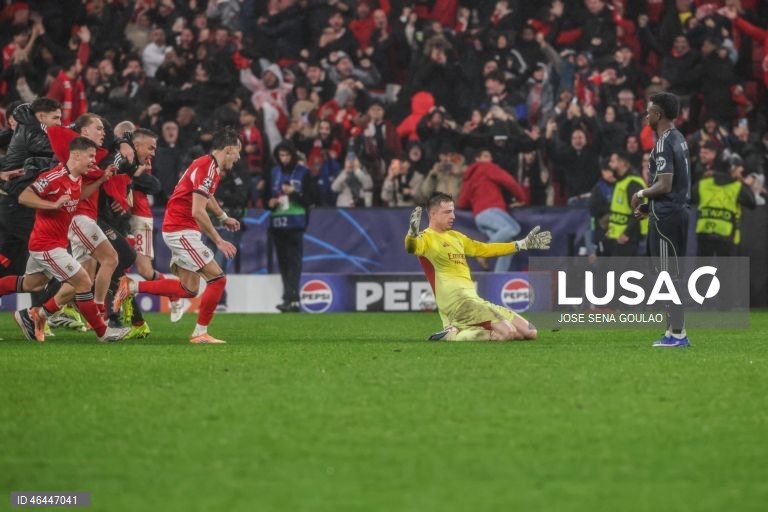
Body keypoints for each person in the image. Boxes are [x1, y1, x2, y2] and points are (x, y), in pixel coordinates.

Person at [112, 128, 243, 344]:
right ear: (228, 150)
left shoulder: (207, 165)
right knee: (218, 279)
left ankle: (132, 287)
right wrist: (218, 240)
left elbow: (206, 196)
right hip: (181, 230)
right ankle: (200, 333)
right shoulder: (208, 168)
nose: (238, 158)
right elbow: (197, 211)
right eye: (238, 152)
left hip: (181, 229)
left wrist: (222, 216)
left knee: (188, 289)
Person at [0, 137, 130, 342]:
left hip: (53, 243)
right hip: (47, 246)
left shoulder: (76, 177)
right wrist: (52, 205)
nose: (93, 161)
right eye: (90, 156)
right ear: (76, 155)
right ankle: (103, 333)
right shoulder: (54, 177)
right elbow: (25, 196)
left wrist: (100, 180)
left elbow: (78, 197)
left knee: (32, 284)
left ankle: (26, 316)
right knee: (83, 281)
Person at [405, 192, 552, 342]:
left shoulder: (456, 237)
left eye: (453, 211)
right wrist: (411, 233)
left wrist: (521, 244)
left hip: (475, 301)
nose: (453, 216)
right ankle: (453, 335)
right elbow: (411, 247)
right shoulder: (425, 238)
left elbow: (485, 249)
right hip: (456, 304)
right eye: (448, 212)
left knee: (529, 332)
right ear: (433, 214)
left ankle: (457, 329)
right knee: (507, 333)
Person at [631, 92, 692, 348]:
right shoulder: (679, 138)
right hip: (670, 211)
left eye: (648, 112)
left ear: (657, 114)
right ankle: (672, 332)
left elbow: (665, 184)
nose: (646, 116)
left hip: (667, 217)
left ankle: (678, 335)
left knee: (669, 278)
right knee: (667, 277)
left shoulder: (663, 142)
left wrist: (641, 193)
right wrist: (650, 206)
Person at [264, 141, 316, 313]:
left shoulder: (304, 172)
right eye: (281, 155)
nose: (284, 158)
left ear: (293, 155)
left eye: (287, 155)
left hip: (295, 223)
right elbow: (266, 199)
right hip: (278, 223)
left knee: (294, 262)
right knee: (283, 263)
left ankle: (291, 299)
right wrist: (270, 203)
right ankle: (290, 299)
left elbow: (311, 200)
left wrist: (294, 193)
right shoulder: (273, 172)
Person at [693, 154, 757, 257]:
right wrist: (744, 183)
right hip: (725, 234)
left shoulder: (703, 184)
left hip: (704, 232)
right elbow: (752, 203)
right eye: (739, 169)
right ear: (733, 168)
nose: (742, 170)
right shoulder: (737, 187)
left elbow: (692, 199)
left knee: (703, 270)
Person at [604, 151, 647, 257]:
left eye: (613, 162)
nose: (610, 165)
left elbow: (640, 210)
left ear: (622, 163)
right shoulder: (620, 182)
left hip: (628, 240)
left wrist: (627, 233)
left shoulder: (633, 183)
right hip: (617, 238)